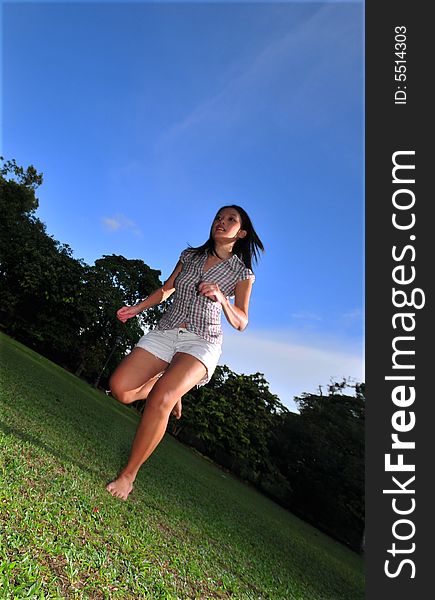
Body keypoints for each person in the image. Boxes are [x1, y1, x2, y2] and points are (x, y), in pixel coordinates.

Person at [106, 205, 264, 500]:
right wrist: (138, 308)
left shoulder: (242, 273)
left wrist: (222, 298)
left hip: (202, 340)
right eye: (219, 217)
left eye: (231, 220)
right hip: (167, 330)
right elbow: (167, 289)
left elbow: (242, 321)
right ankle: (172, 386)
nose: (221, 222)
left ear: (241, 233)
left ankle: (128, 476)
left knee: (161, 398)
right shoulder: (190, 256)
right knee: (121, 389)